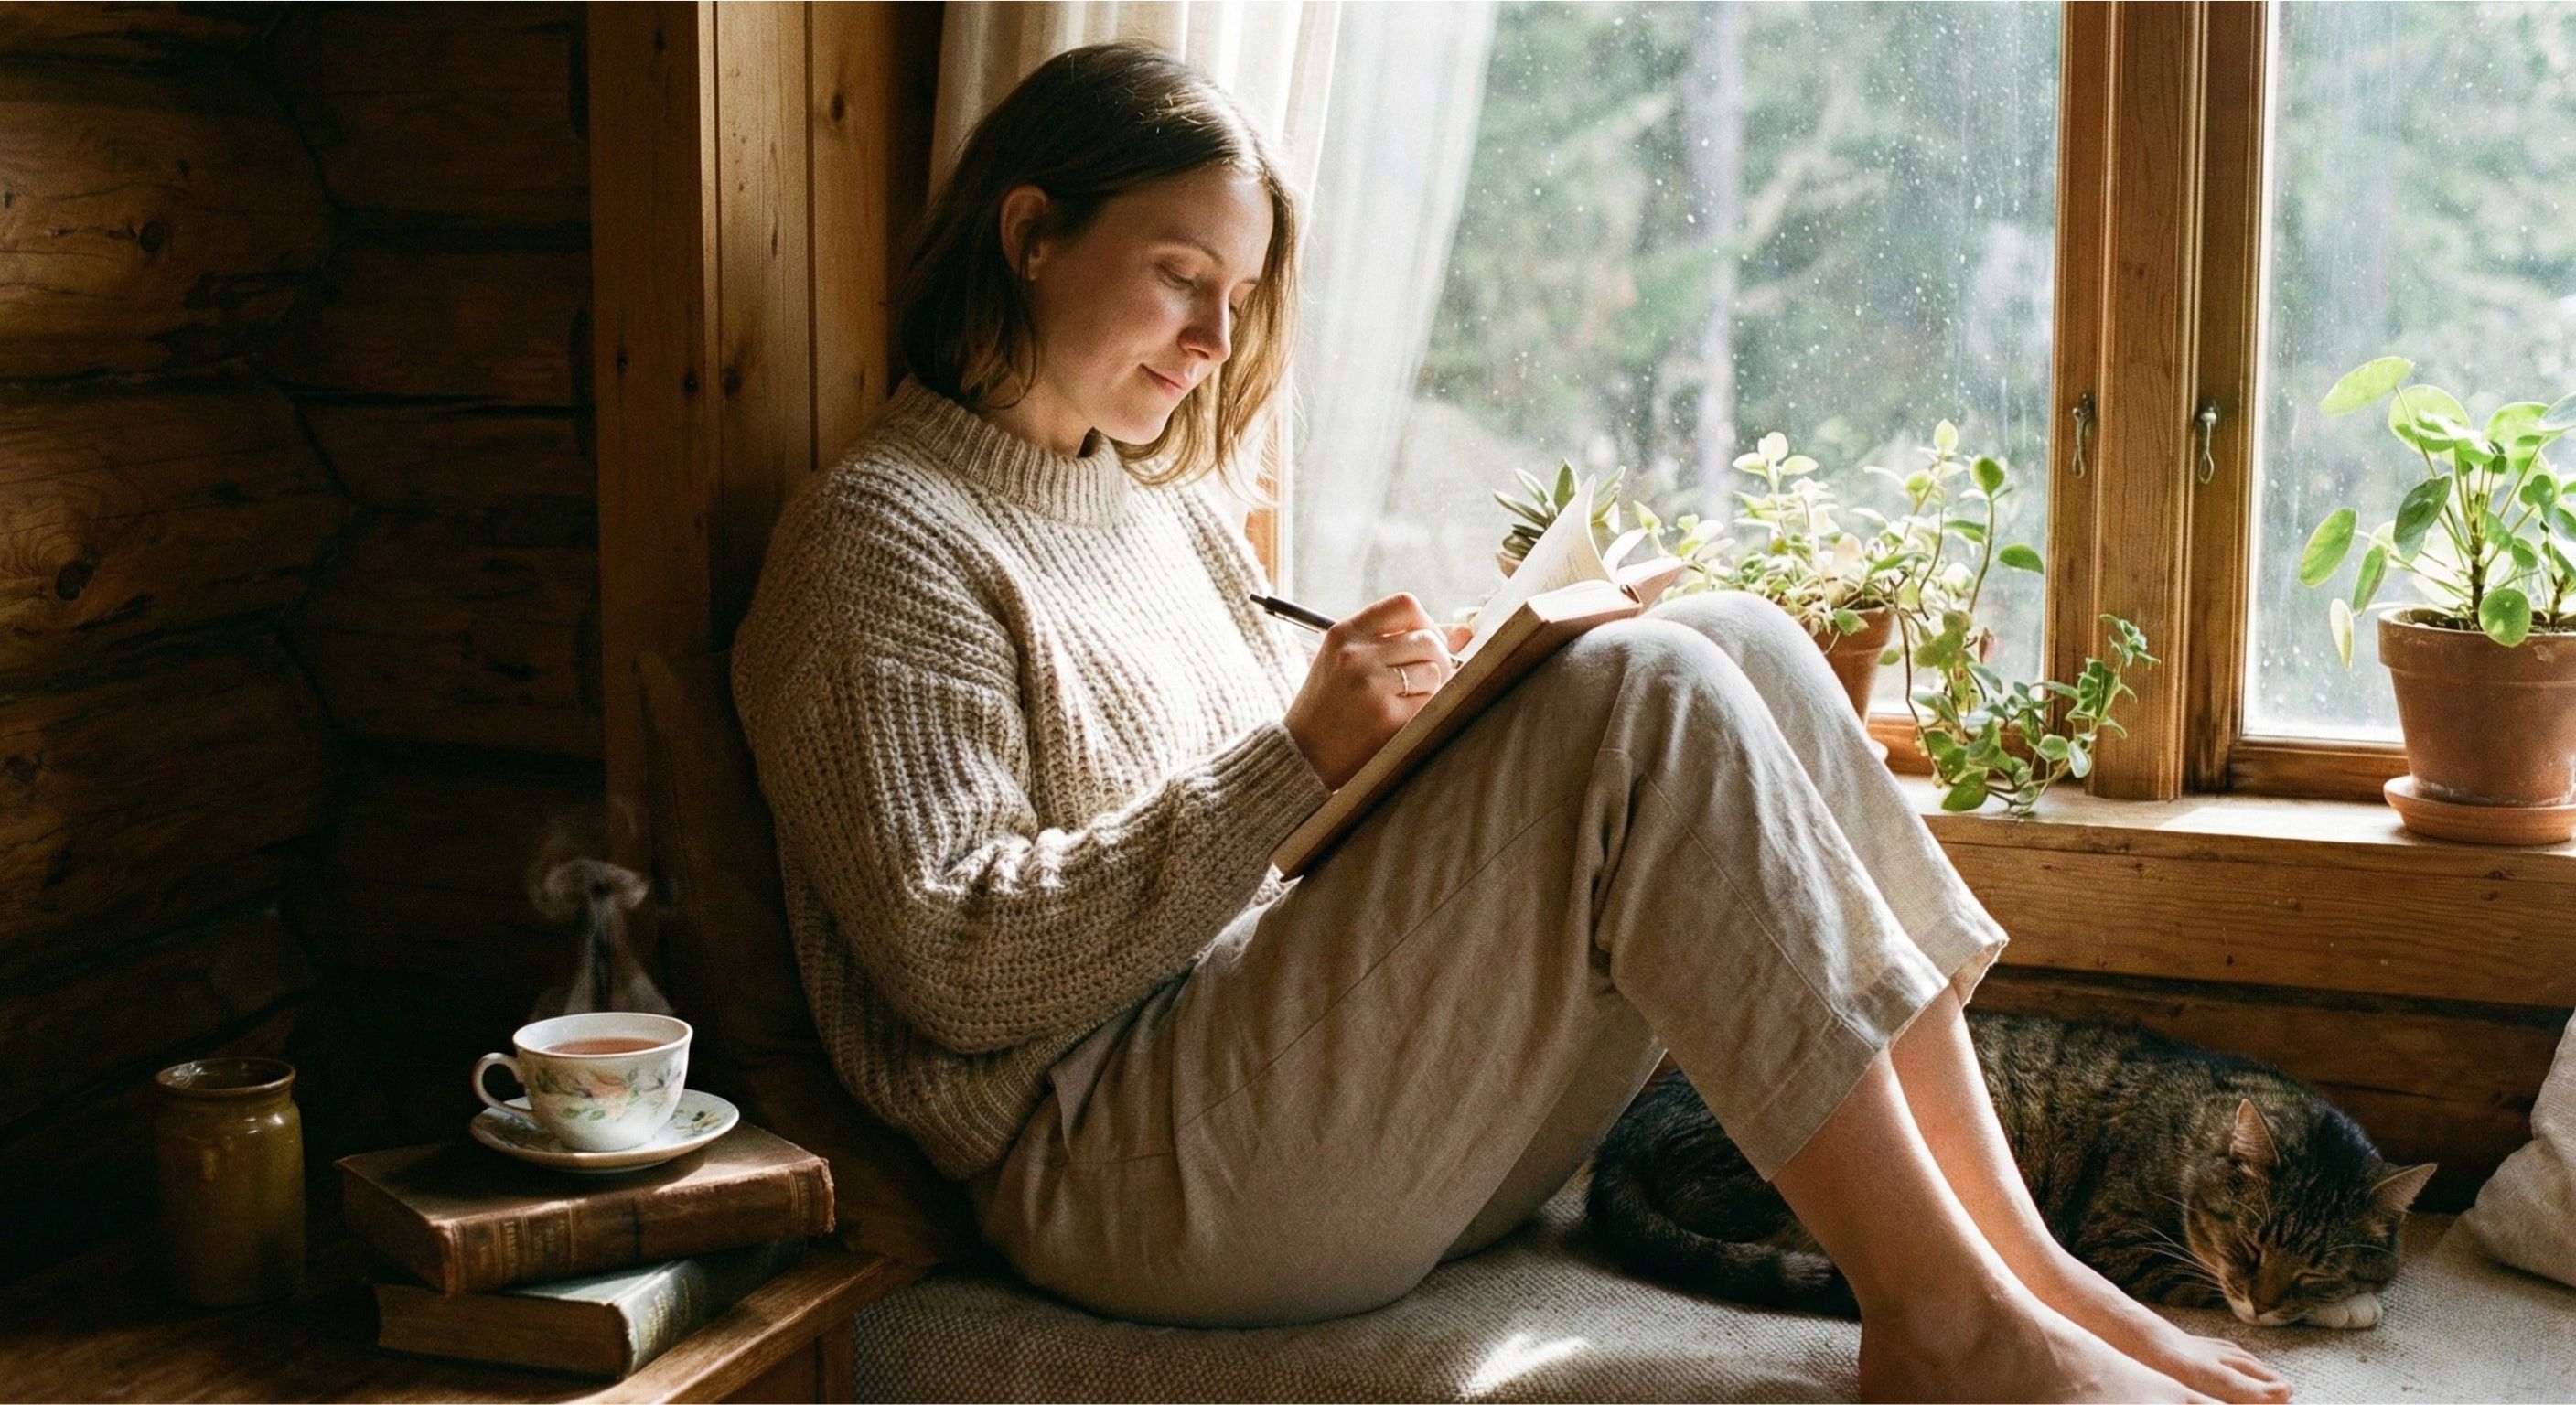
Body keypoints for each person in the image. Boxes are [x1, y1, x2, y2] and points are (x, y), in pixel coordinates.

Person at [730, 40, 2290, 1405]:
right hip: (1124, 1180)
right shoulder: (880, 536)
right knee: (1646, 697)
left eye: (1238, 298)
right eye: (1181, 277)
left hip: (1304, 1119)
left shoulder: (1159, 509)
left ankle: (2017, 1268)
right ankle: (1944, 1328)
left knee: (1730, 639)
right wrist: (1295, 759)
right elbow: (958, 965)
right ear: (1029, 235)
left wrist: (1467, 711)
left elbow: (1281, 865)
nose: (1212, 341)